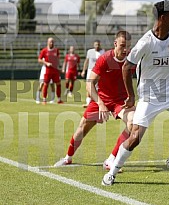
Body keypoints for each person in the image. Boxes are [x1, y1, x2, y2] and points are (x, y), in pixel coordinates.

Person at [102, 0, 169, 186]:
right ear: (163, 18)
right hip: (149, 97)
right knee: (135, 138)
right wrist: (131, 96)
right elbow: (126, 67)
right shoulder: (145, 42)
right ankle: (112, 172)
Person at [54, 31, 135, 172]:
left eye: (128, 46)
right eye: (122, 46)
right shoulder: (105, 59)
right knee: (82, 128)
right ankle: (68, 157)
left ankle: (111, 160)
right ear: (115, 44)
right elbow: (89, 83)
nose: (126, 49)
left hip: (121, 102)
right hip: (101, 99)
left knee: (134, 123)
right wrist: (101, 104)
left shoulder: (132, 60)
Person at [37, 37, 63, 104]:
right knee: (45, 84)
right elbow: (39, 59)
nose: (52, 43)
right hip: (47, 70)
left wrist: (60, 67)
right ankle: (44, 99)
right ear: (47, 42)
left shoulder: (56, 50)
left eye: (53, 42)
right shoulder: (44, 50)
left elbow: (58, 59)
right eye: (50, 42)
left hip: (55, 70)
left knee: (58, 84)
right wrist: (46, 63)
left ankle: (59, 99)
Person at [81, 40, 105, 108]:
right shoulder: (90, 51)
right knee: (89, 85)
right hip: (90, 70)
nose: (96, 46)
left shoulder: (103, 52)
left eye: (98, 45)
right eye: (95, 45)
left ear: (100, 45)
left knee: (98, 87)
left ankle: (97, 101)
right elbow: (86, 61)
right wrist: (83, 70)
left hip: (99, 71)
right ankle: (88, 102)